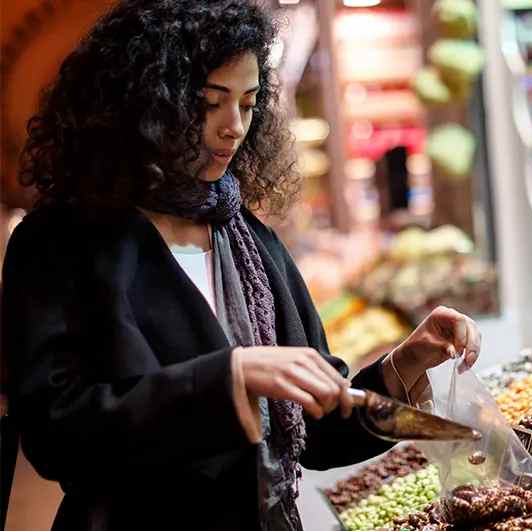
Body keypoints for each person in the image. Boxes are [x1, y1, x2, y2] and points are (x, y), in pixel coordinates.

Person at [1, 1, 481, 530]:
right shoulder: (60, 244)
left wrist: (404, 364)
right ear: (142, 104)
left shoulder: (251, 241)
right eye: (210, 103)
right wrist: (225, 379)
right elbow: (55, 432)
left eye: (249, 104)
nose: (234, 128)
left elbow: (314, 431)